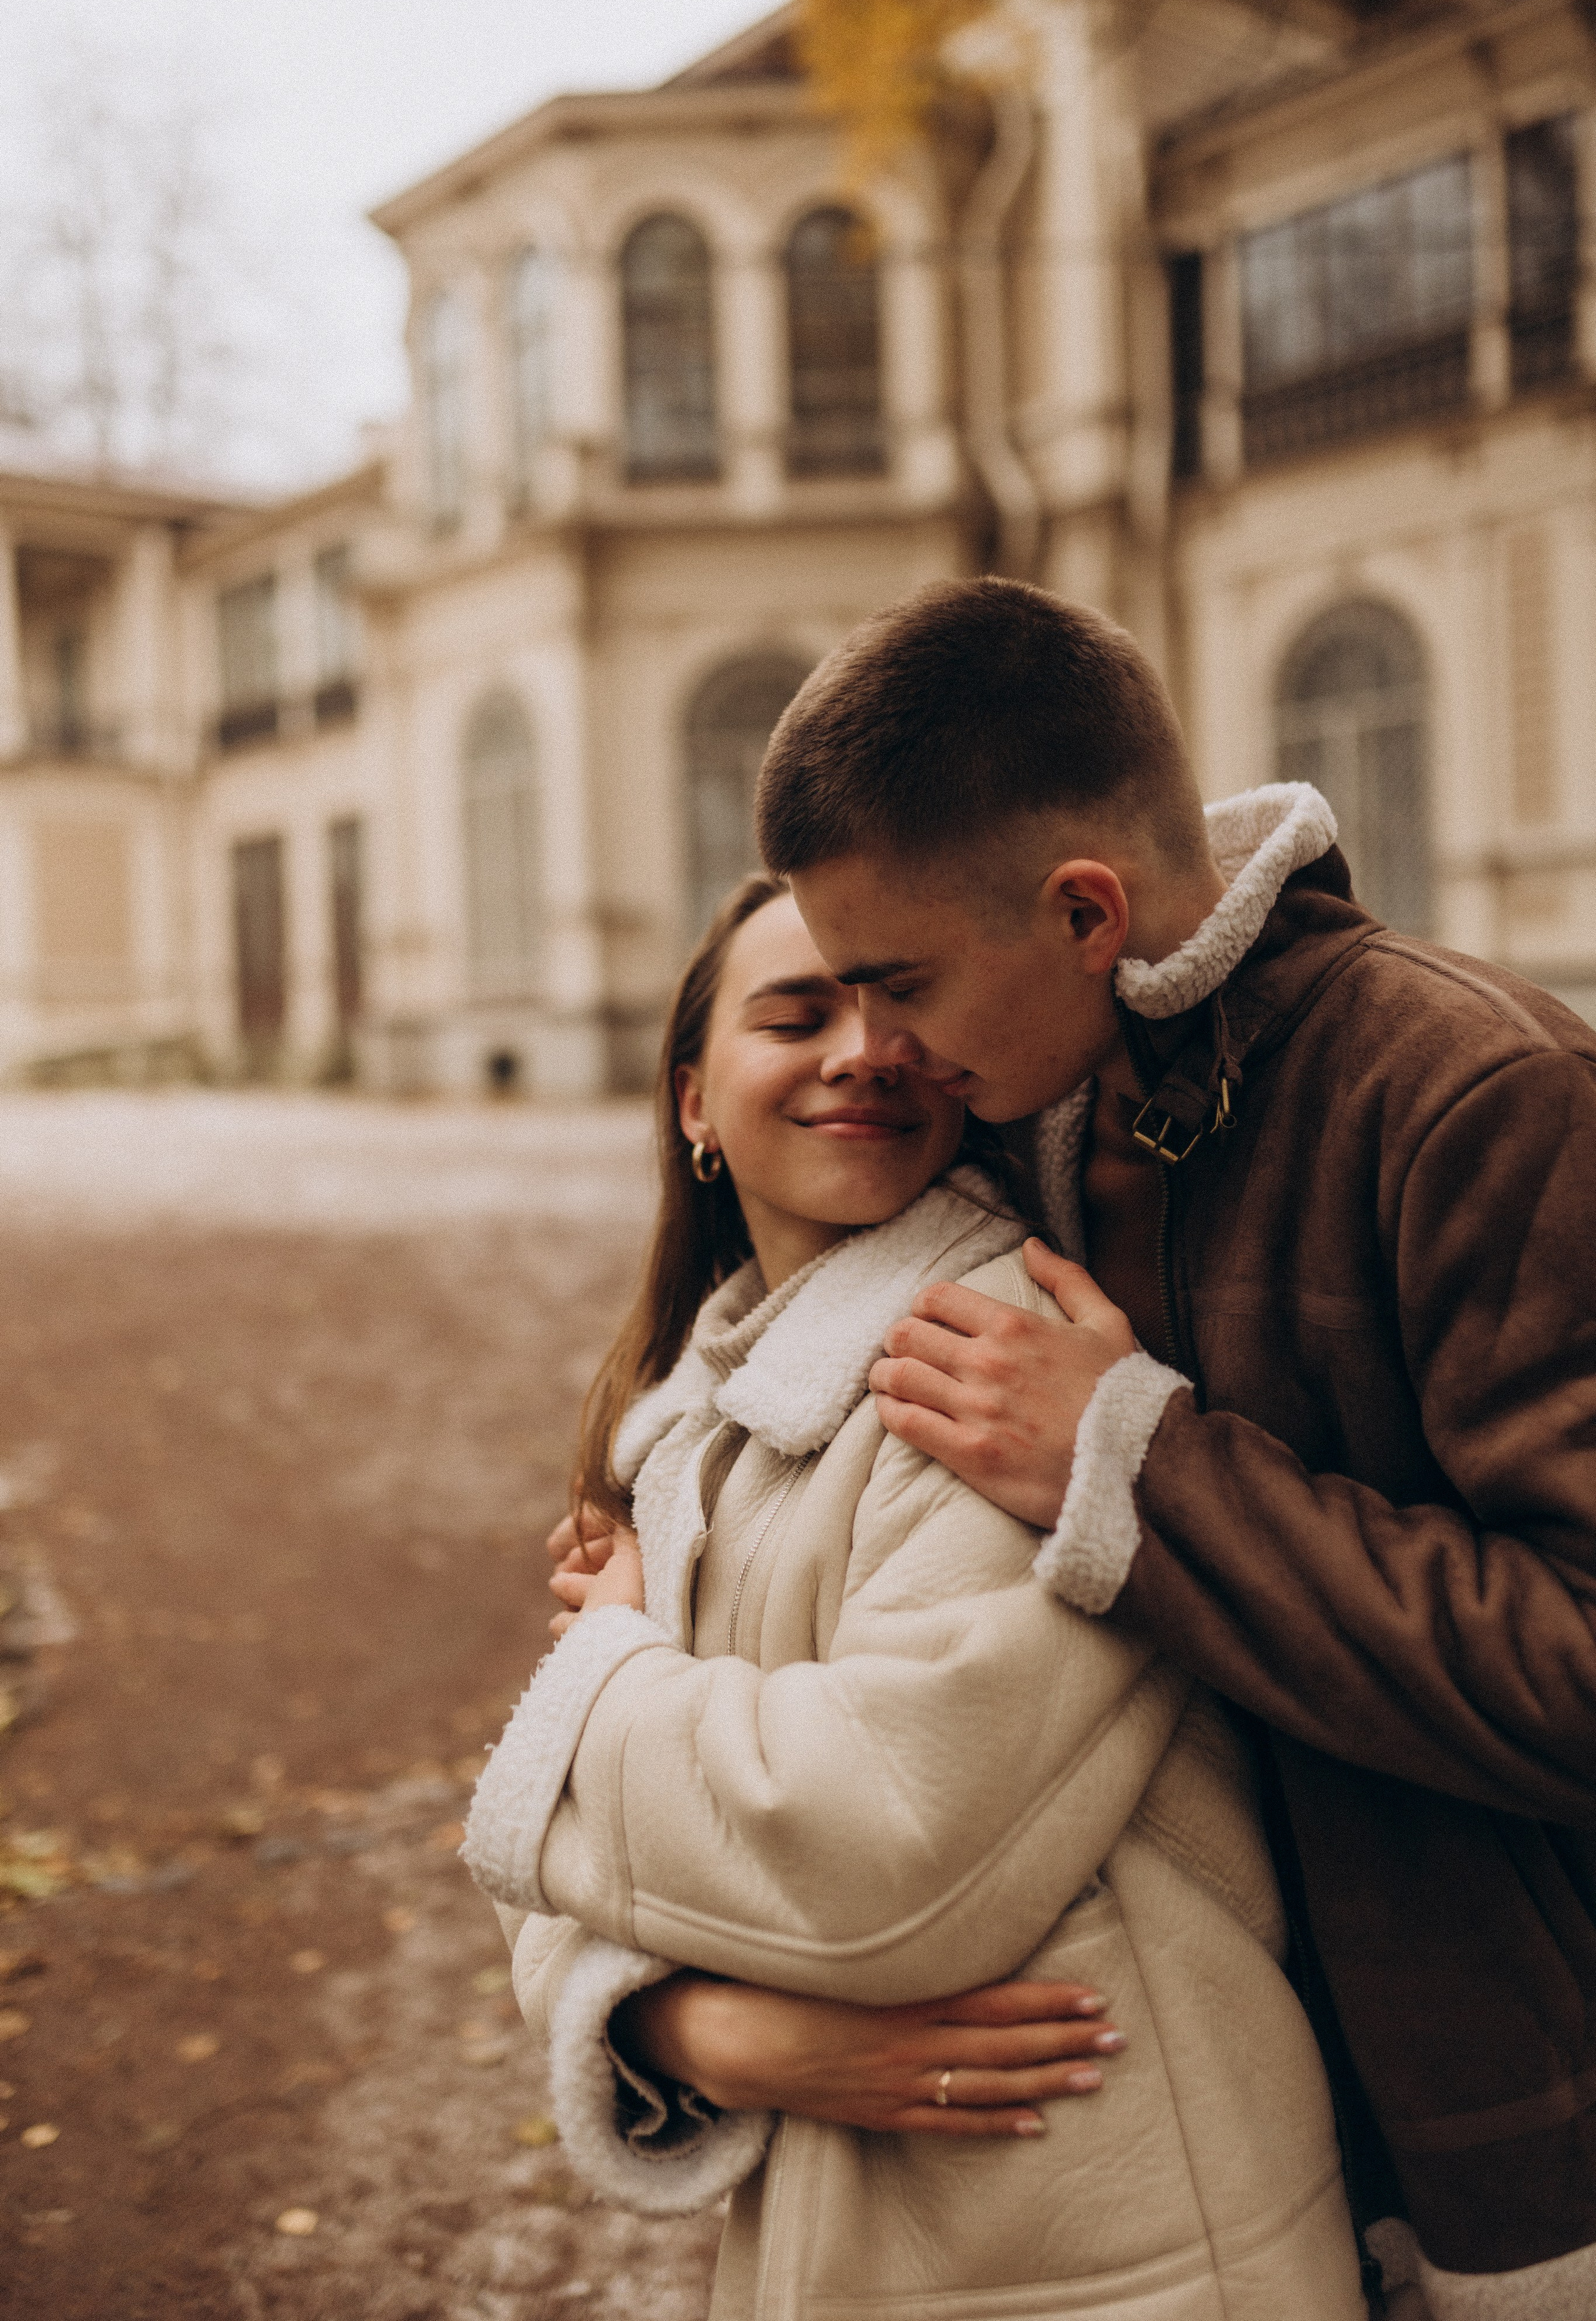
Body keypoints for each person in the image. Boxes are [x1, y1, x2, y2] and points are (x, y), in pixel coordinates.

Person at [611, 579, 1596, 2321]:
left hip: (1505, 2129)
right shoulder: (1046, 1101)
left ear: (1084, 911)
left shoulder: (1477, 1094)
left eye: (897, 982)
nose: (882, 1050)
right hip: (1230, 2127)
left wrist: (1134, 1464)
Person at [463, 874, 1367, 2321]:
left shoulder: (994, 1360)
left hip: (1110, 2244)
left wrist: (606, 1680)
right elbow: (542, 1850)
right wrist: (701, 2029)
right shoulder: (697, 1420)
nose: (863, 1048)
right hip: (880, 2228)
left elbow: (880, 1847)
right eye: (796, 1012)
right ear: (693, 1103)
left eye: (895, 1004)